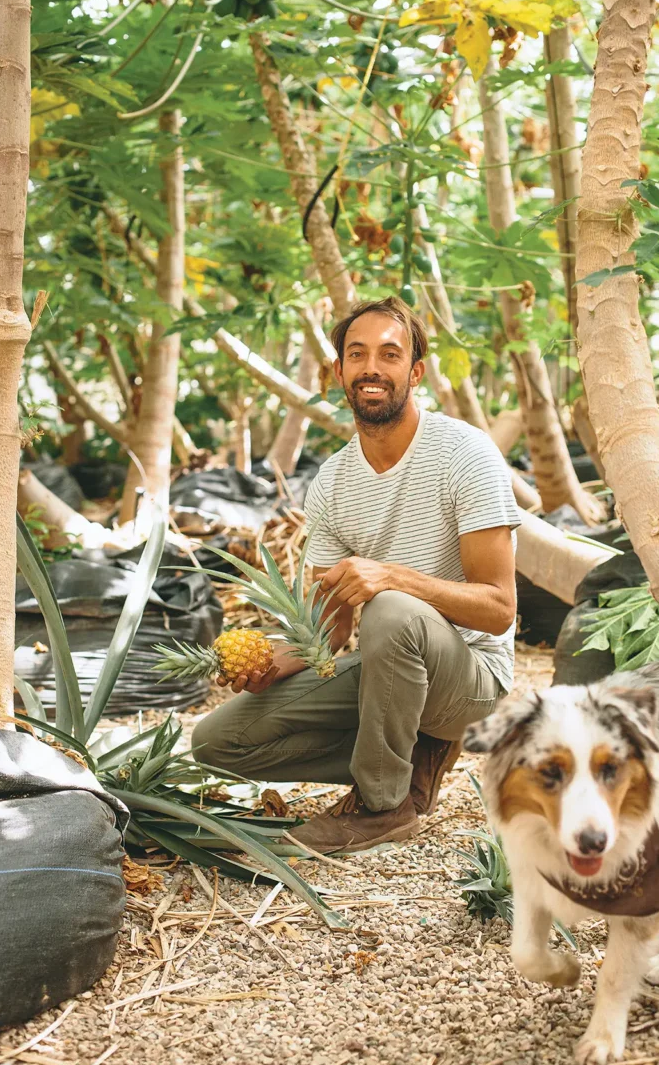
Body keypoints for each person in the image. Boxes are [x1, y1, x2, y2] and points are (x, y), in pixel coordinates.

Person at [192, 296, 521, 854]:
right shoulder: (332, 481)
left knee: (391, 609)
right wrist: (275, 661)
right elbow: (331, 632)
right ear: (338, 372)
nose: (372, 367)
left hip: (469, 676)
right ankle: (407, 752)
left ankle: (383, 805)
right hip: (391, 667)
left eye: (389, 355)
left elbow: (499, 608)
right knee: (218, 741)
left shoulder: (466, 453)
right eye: (357, 354)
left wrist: (393, 577)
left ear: (414, 372)